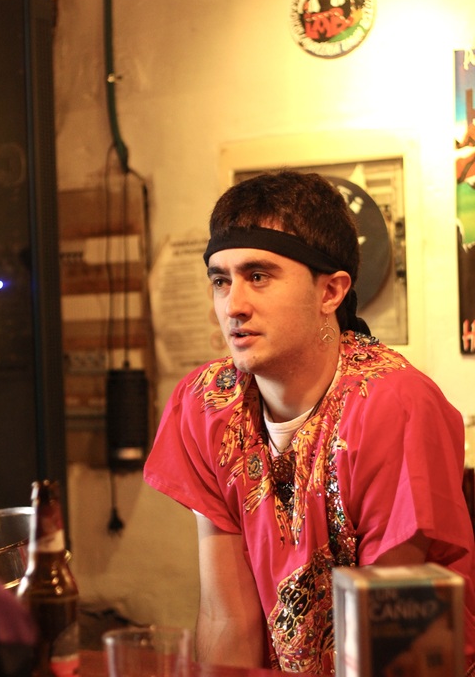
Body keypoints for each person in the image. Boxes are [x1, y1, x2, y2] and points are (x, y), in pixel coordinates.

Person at [144, 170, 475, 674]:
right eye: (221, 280)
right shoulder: (208, 405)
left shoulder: (394, 405)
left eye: (258, 276)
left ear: (330, 292)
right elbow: (226, 616)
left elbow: (390, 640)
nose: (232, 306)